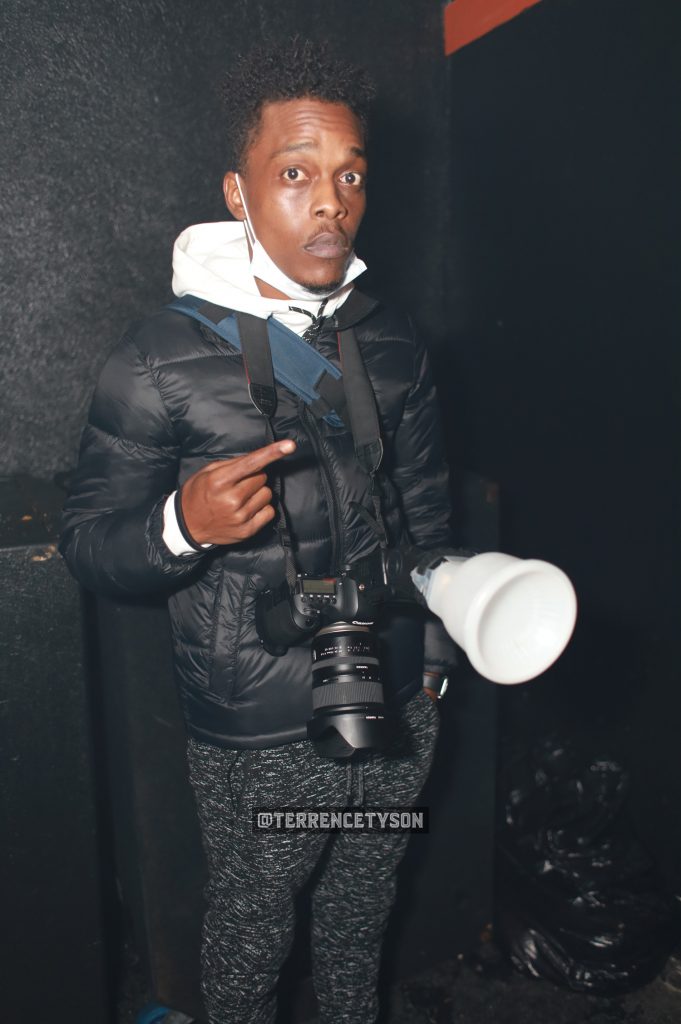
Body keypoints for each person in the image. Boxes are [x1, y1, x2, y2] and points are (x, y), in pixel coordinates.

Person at [61, 37, 455, 1024]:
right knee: (252, 927)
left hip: (395, 688)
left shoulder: (391, 336)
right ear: (237, 194)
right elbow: (88, 541)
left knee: (364, 909)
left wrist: (439, 654)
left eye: (349, 175)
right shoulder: (158, 357)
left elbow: (426, 507)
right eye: (295, 174)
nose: (330, 203)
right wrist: (181, 525)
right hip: (258, 721)